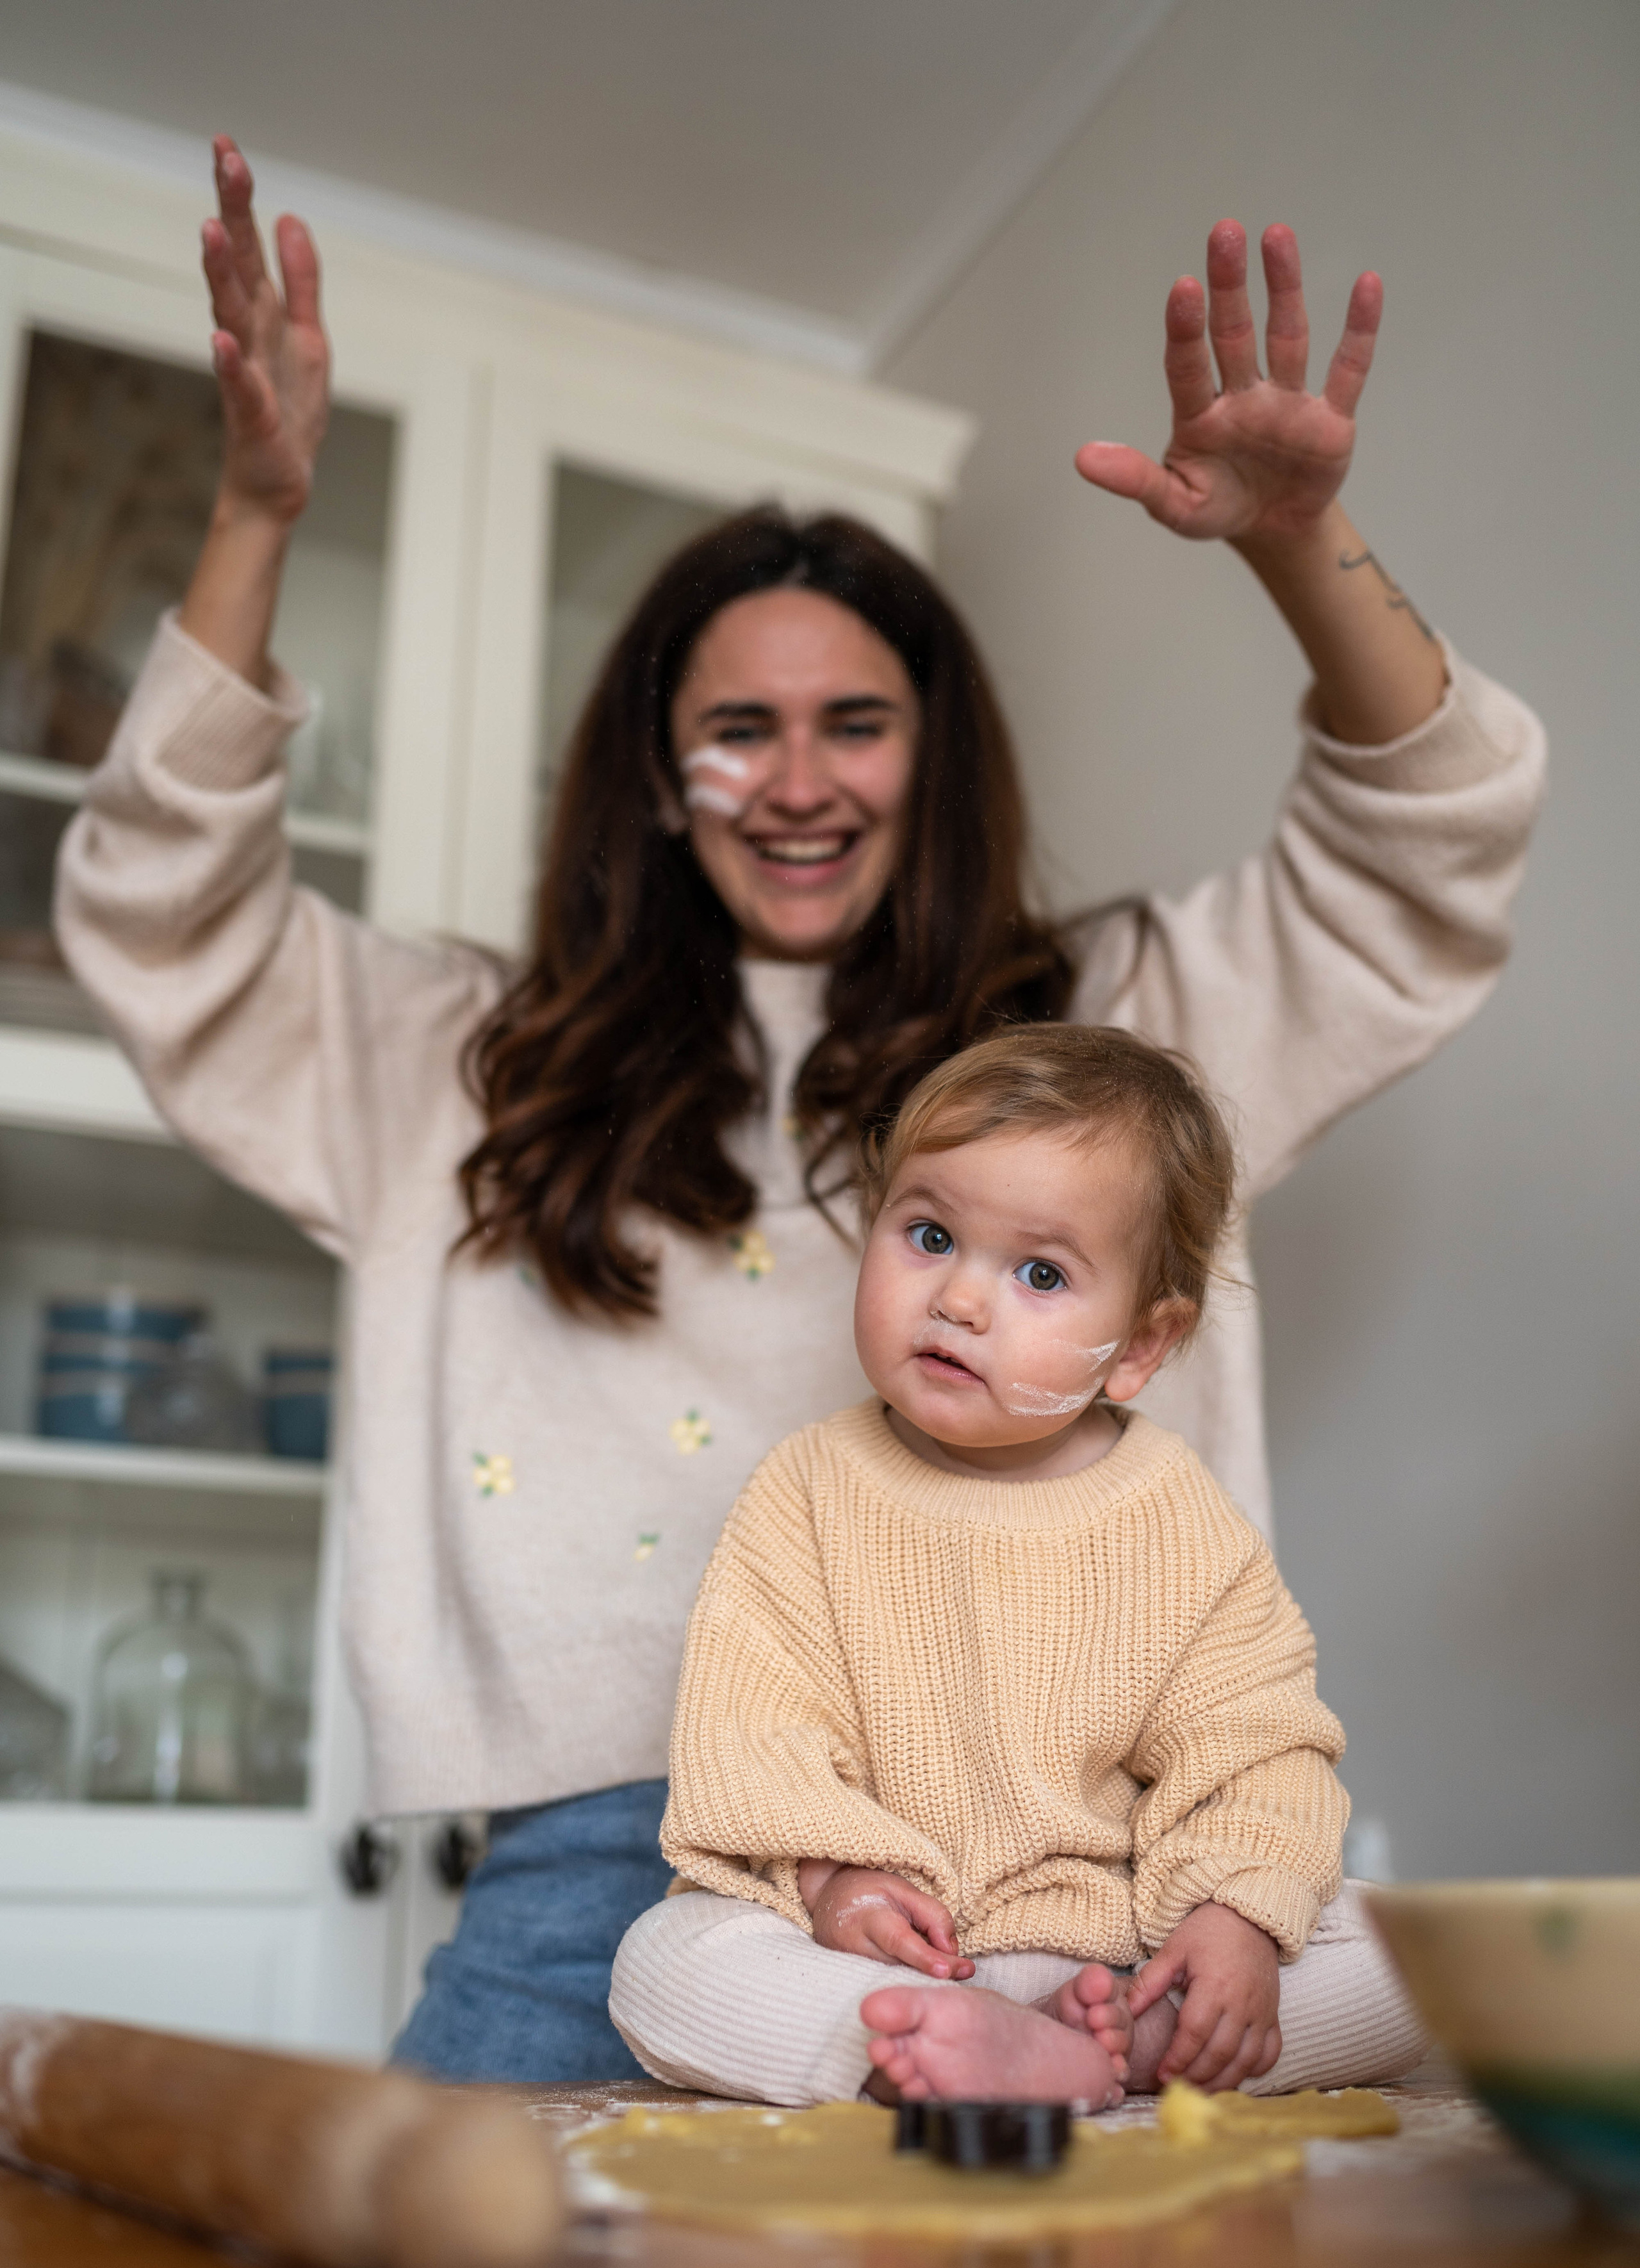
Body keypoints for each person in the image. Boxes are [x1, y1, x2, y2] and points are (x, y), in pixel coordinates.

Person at [55, 137, 1543, 2082]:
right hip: (622, 1866)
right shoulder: (460, 1065)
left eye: (855, 720)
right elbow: (158, 919)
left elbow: (1426, 856)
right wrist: (257, 510)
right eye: (735, 729)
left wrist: (1296, 547)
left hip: (1111, 1877)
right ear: (663, 779)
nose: (797, 779)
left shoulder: (1124, 1041)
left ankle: (1067, 2066)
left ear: (933, 754)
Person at [611, 1027, 1427, 2106]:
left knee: (1402, 1952)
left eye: (1041, 1273)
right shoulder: (806, 1489)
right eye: (929, 1233)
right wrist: (831, 1876)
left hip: (1121, 1954)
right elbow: (754, 1730)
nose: (959, 1300)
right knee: (661, 1963)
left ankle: (1111, 2048)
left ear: (1139, 1347)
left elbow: (1255, 1749)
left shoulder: (1180, 1519)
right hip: (887, 1955)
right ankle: (922, 2051)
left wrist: (1232, 1916)